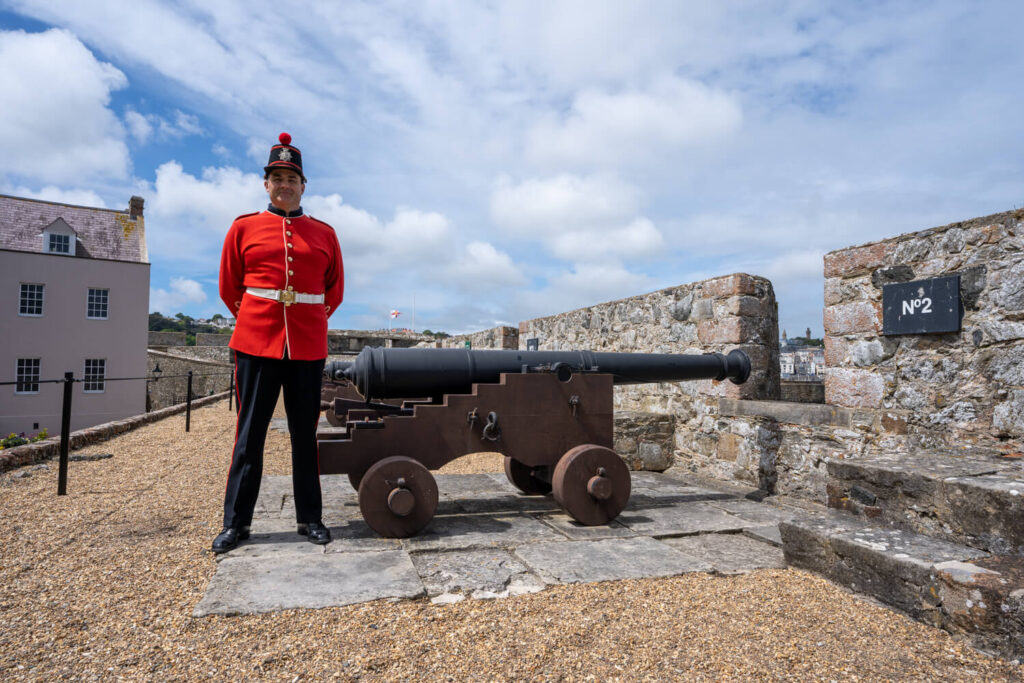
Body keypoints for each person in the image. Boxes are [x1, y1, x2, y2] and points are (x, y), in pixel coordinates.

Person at [212, 132, 344, 553]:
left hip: (306, 345)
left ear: (303, 185)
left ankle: (310, 518)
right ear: (265, 183)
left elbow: (333, 290)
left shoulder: (324, 234)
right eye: (277, 177)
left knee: (305, 436)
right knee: (249, 436)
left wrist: (304, 320)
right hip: (256, 343)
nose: (284, 184)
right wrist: (256, 321)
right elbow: (230, 287)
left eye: (292, 178)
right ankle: (237, 524)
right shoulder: (243, 228)